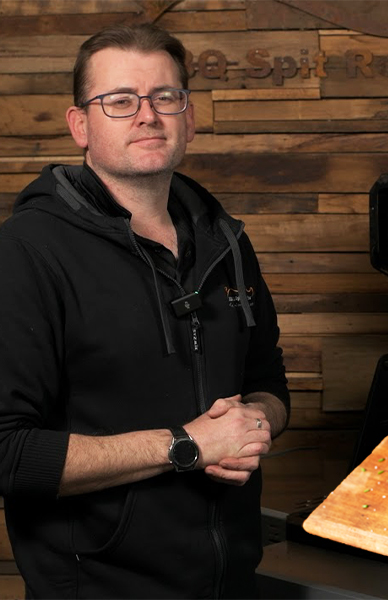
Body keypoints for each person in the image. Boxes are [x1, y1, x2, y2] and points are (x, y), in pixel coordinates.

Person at [0, 23, 290, 598]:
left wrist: (254, 424)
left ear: (189, 114)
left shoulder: (225, 241)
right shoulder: (27, 252)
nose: (148, 115)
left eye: (165, 97)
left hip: (232, 581)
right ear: (80, 124)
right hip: (96, 587)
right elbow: (9, 454)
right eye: (120, 101)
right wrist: (186, 445)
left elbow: (269, 384)